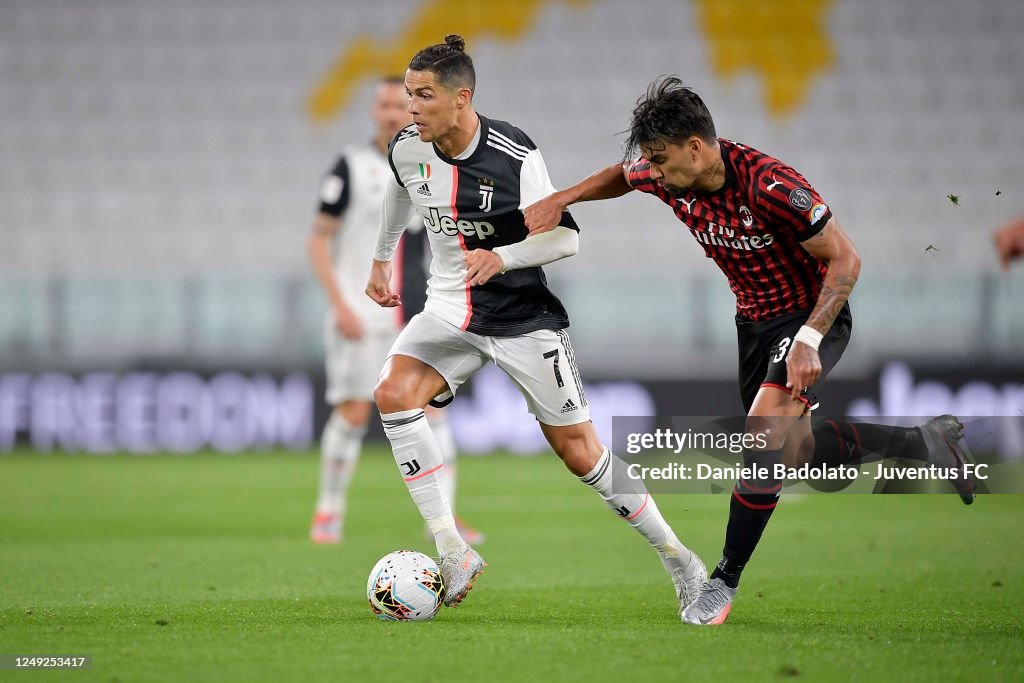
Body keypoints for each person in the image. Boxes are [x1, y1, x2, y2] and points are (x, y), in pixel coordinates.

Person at [525, 77, 975, 625]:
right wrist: (562, 197)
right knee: (800, 455)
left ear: (696, 146)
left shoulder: (771, 186)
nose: (655, 172)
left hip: (811, 318)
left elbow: (846, 260)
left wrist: (808, 339)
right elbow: (621, 176)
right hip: (754, 326)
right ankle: (927, 441)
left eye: (661, 160)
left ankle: (723, 581)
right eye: (652, 162)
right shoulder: (667, 176)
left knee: (763, 433)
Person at [366, 37, 707, 615]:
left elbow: (566, 235)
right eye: (408, 95)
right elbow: (401, 194)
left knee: (582, 455)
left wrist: (503, 257)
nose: (411, 108)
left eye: (424, 96)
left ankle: (679, 557)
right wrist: (381, 256)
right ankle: (452, 548)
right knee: (393, 393)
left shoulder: (513, 154)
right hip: (449, 307)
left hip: (522, 318)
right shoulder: (406, 148)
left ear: (461, 98)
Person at [308, 76, 482, 546]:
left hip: (417, 314)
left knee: (434, 412)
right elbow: (318, 237)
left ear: (412, 110)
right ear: (373, 110)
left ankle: (441, 519)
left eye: (398, 105)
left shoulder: (430, 162)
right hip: (359, 315)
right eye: (383, 104)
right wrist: (339, 303)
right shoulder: (351, 165)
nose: (390, 113)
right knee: (351, 413)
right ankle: (329, 512)